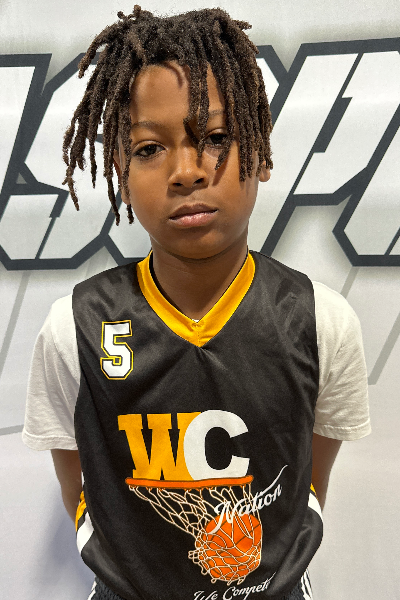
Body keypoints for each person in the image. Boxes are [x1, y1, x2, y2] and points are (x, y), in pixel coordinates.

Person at [22, 6, 371, 600]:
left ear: (260, 153)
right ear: (121, 172)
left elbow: (310, 477)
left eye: (214, 138)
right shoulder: (74, 327)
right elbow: (76, 473)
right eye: (149, 148)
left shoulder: (321, 320)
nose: (185, 172)